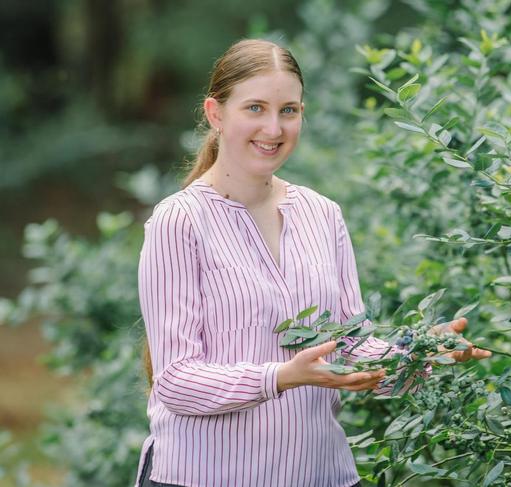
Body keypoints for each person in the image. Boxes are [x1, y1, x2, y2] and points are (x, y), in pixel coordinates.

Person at [134, 38, 490, 487]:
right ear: (216, 114)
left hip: (322, 475)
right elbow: (176, 383)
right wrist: (281, 377)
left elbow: (348, 349)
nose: (274, 128)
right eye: (255, 108)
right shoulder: (179, 221)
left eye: (289, 110)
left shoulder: (323, 214)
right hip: (201, 477)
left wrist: (418, 356)